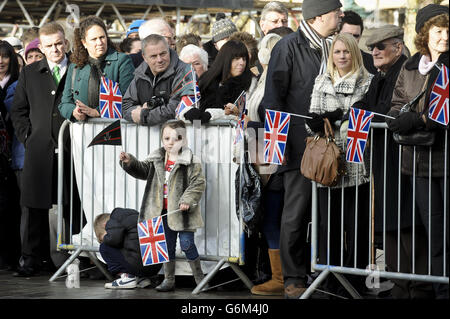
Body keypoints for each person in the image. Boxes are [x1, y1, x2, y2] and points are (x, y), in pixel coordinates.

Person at [259, 0, 344, 299]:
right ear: (319, 16)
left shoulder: (337, 45)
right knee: (295, 215)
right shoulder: (289, 47)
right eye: (337, 10)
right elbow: (272, 100)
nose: (341, 14)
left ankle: (328, 274)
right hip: (298, 147)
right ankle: (292, 277)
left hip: (333, 145)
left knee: (329, 216)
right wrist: (278, 149)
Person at [351, 25, 430, 299]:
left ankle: (417, 285)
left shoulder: (407, 70)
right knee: (390, 223)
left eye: (380, 46)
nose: (374, 51)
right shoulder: (380, 76)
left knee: (408, 222)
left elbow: (392, 111)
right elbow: (369, 104)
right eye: (372, 47)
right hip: (386, 159)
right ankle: (400, 283)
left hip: (406, 159)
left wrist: (368, 114)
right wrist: (348, 111)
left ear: (398, 46)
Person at [386, 4, 449, 299]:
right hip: (417, 163)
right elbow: (398, 103)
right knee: (434, 235)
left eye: (449, 30)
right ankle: (440, 291)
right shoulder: (411, 66)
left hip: (446, 159)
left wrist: (422, 119)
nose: (445, 36)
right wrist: (399, 118)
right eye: (438, 31)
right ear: (425, 33)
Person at [305, 33, 374, 296]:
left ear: (355, 54)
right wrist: (317, 122)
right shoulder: (321, 81)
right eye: (337, 52)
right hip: (327, 166)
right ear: (330, 56)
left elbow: (366, 119)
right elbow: (310, 120)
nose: (342, 56)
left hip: (357, 164)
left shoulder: (368, 82)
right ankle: (332, 277)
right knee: (329, 225)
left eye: (346, 52)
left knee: (357, 225)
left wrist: (339, 120)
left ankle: (356, 280)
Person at [10, 21, 74, 277]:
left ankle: (72, 257)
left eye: (59, 43)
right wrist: (28, 137)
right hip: (38, 150)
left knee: (71, 204)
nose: (55, 49)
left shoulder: (78, 69)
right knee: (35, 205)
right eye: (49, 45)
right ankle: (31, 258)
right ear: (42, 47)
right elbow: (18, 110)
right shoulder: (30, 72)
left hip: (71, 149)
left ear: (66, 43)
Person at [119, 120, 206, 292]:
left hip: (183, 213)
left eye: (176, 138)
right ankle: (169, 280)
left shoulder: (191, 161)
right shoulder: (156, 159)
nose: (171, 142)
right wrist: (130, 162)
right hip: (162, 212)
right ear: (162, 140)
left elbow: (198, 183)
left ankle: (200, 280)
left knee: (187, 244)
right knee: (167, 246)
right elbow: (143, 170)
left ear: (184, 140)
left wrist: (187, 199)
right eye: (167, 138)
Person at [58, 15, 135, 122]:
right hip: (82, 132)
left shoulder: (122, 61)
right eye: (94, 39)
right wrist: (74, 112)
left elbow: (128, 97)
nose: (99, 43)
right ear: (84, 43)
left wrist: (98, 112)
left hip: (112, 128)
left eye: (102, 37)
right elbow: (64, 103)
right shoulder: (74, 67)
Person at [122, 34, 194, 126]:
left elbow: (177, 107)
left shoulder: (184, 71)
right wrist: (137, 111)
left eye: (163, 54)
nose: (159, 59)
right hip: (147, 138)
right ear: (144, 57)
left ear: (169, 50)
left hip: (179, 135)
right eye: (153, 56)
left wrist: (144, 116)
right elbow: (126, 105)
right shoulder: (140, 74)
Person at [182, 40, 256, 123]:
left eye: (244, 59)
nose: (242, 63)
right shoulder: (207, 80)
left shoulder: (250, 83)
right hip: (202, 133)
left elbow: (244, 116)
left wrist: (210, 115)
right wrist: (188, 112)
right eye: (237, 58)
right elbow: (185, 106)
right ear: (226, 59)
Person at [94, 208, 162, 289]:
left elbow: (114, 239)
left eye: (104, 236)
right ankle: (141, 278)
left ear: (106, 225)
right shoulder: (133, 215)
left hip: (140, 265)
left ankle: (128, 277)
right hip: (156, 267)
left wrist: (105, 240)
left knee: (104, 247)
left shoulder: (114, 219)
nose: (105, 239)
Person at [0, 40, 22, 271]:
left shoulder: (18, 84)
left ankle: (11, 257)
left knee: (12, 207)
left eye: (5, 56)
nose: (1, 61)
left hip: (13, 153)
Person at [338, 10, 377, 74]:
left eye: (356, 36)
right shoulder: (325, 57)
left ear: (360, 36)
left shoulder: (372, 62)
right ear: (336, 34)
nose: (352, 39)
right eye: (347, 35)